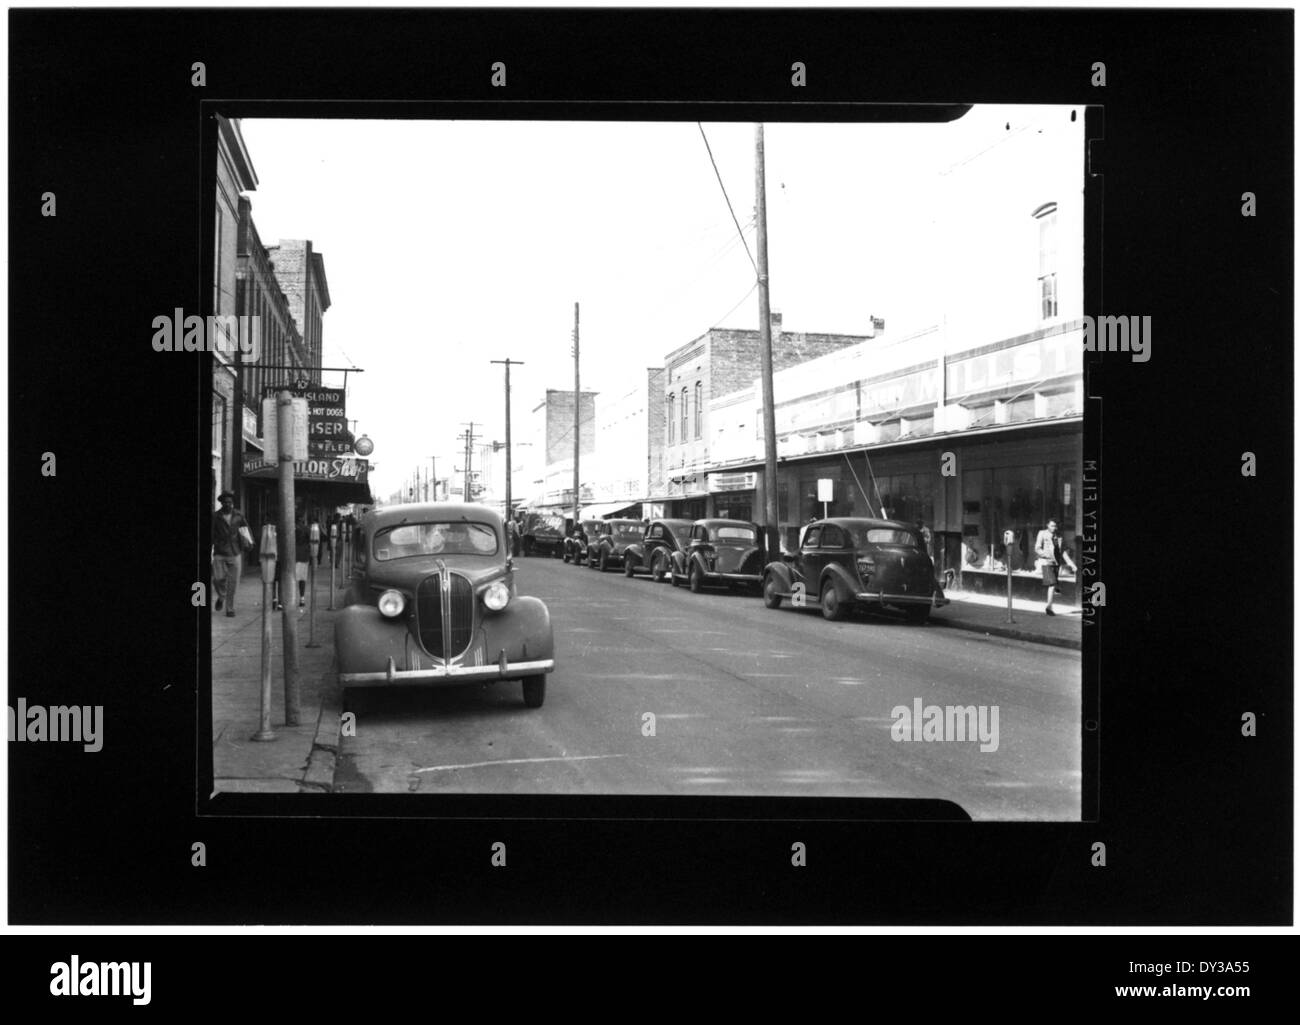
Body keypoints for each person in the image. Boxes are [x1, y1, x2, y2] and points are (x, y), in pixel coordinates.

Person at [211, 490, 251, 617]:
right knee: (217, 579)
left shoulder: (238, 515)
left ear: (233, 503)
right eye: (225, 502)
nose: (228, 504)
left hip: (235, 552)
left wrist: (249, 543)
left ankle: (230, 608)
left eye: (230, 502)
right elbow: (210, 534)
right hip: (219, 552)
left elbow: (245, 530)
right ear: (222, 503)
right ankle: (222, 596)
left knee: (233, 583)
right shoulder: (215, 516)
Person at [1034, 518, 1078, 616]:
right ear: (1047, 525)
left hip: (1056, 563)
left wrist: (1071, 564)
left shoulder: (1059, 536)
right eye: (1052, 526)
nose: (1054, 528)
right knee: (1052, 584)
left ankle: (1050, 606)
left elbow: (1063, 552)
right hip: (1046, 562)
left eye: (1055, 526)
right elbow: (1037, 547)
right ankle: (1049, 607)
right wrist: (1044, 554)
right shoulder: (1042, 533)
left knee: (1053, 584)